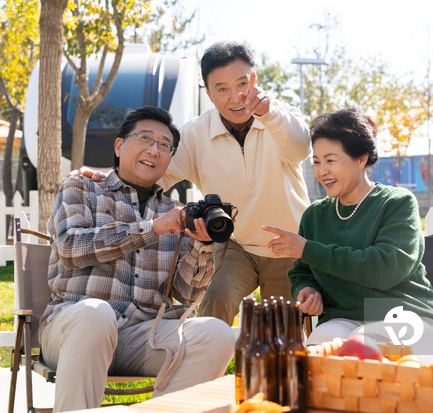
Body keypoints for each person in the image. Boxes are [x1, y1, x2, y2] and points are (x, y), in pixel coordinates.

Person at [75, 42, 311, 325]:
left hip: (286, 244)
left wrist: (269, 114)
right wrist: (103, 179)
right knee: (214, 299)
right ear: (209, 93)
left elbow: (300, 149)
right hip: (233, 242)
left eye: (242, 83)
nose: (236, 97)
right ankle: (203, 365)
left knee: (283, 330)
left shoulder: (282, 117)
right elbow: (151, 174)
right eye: (221, 88)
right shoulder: (194, 134)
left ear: (255, 80)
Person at [40, 106, 234, 412]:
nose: (153, 150)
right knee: (95, 313)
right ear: (119, 146)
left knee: (218, 334)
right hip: (74, 329)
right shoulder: (82, 187)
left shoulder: (174, 213)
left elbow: (185, 296)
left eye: (164, 145)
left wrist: (201, 246)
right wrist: (151, 229)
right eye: (145, 138)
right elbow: (70, 246)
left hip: (142, 337)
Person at [262, 107, 433, 346]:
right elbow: (302, 272)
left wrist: (308, 250)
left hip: (408, 315)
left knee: (362, 346)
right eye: (316, 162)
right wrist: (307, 290)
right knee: (314, 354)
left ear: (361, 159)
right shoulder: (315, 215)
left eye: (331, 160)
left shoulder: (397, 203)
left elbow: (385, 269)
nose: (322, 171)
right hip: (344, 318)